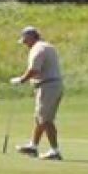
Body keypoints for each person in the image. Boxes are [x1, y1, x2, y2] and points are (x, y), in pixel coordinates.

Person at [10, 26, 64, 160]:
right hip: (50, 85)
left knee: (45, 119)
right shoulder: (46, 46)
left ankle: (54, 150)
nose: (25, 44)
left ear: (32, 37)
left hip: (48, 86)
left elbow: (34, 70)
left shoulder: (38, 49)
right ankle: (33, 146)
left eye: (25, 41)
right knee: (39, 117)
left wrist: (21, 80)